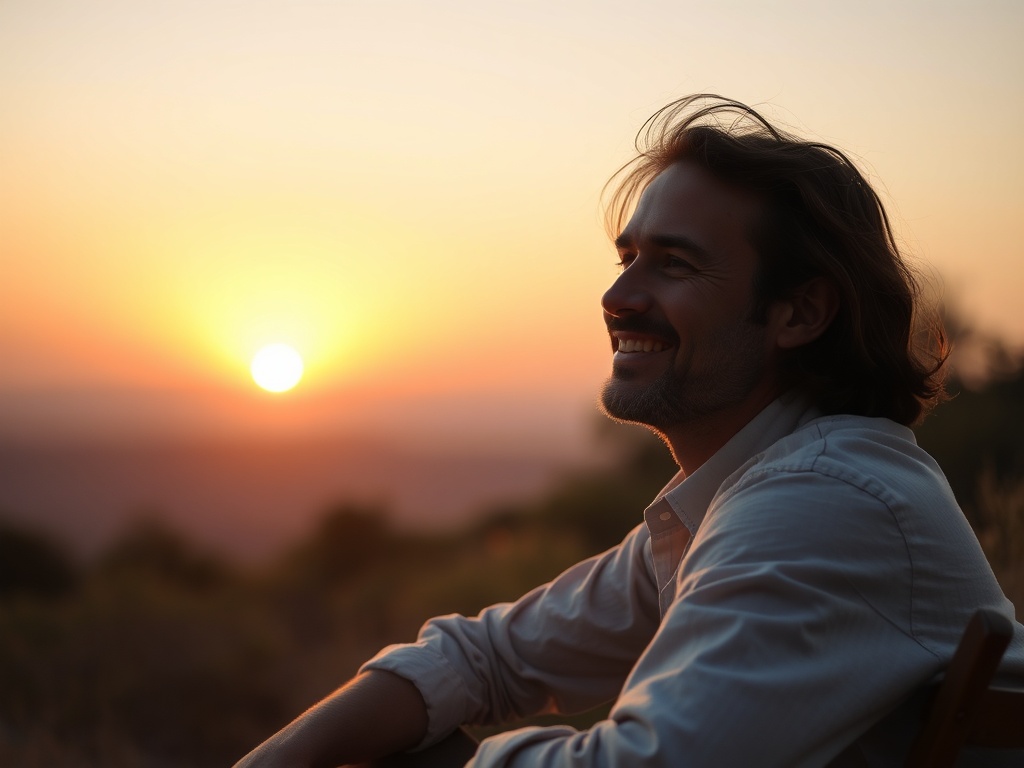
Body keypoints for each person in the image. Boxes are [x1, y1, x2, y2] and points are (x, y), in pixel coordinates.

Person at [233, 94, 1024, 767]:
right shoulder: (732, 503)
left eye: (673, 264)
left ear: (799, 313)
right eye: (628, 256)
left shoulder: (824, 503)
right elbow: (487, 655)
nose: (618, 294)